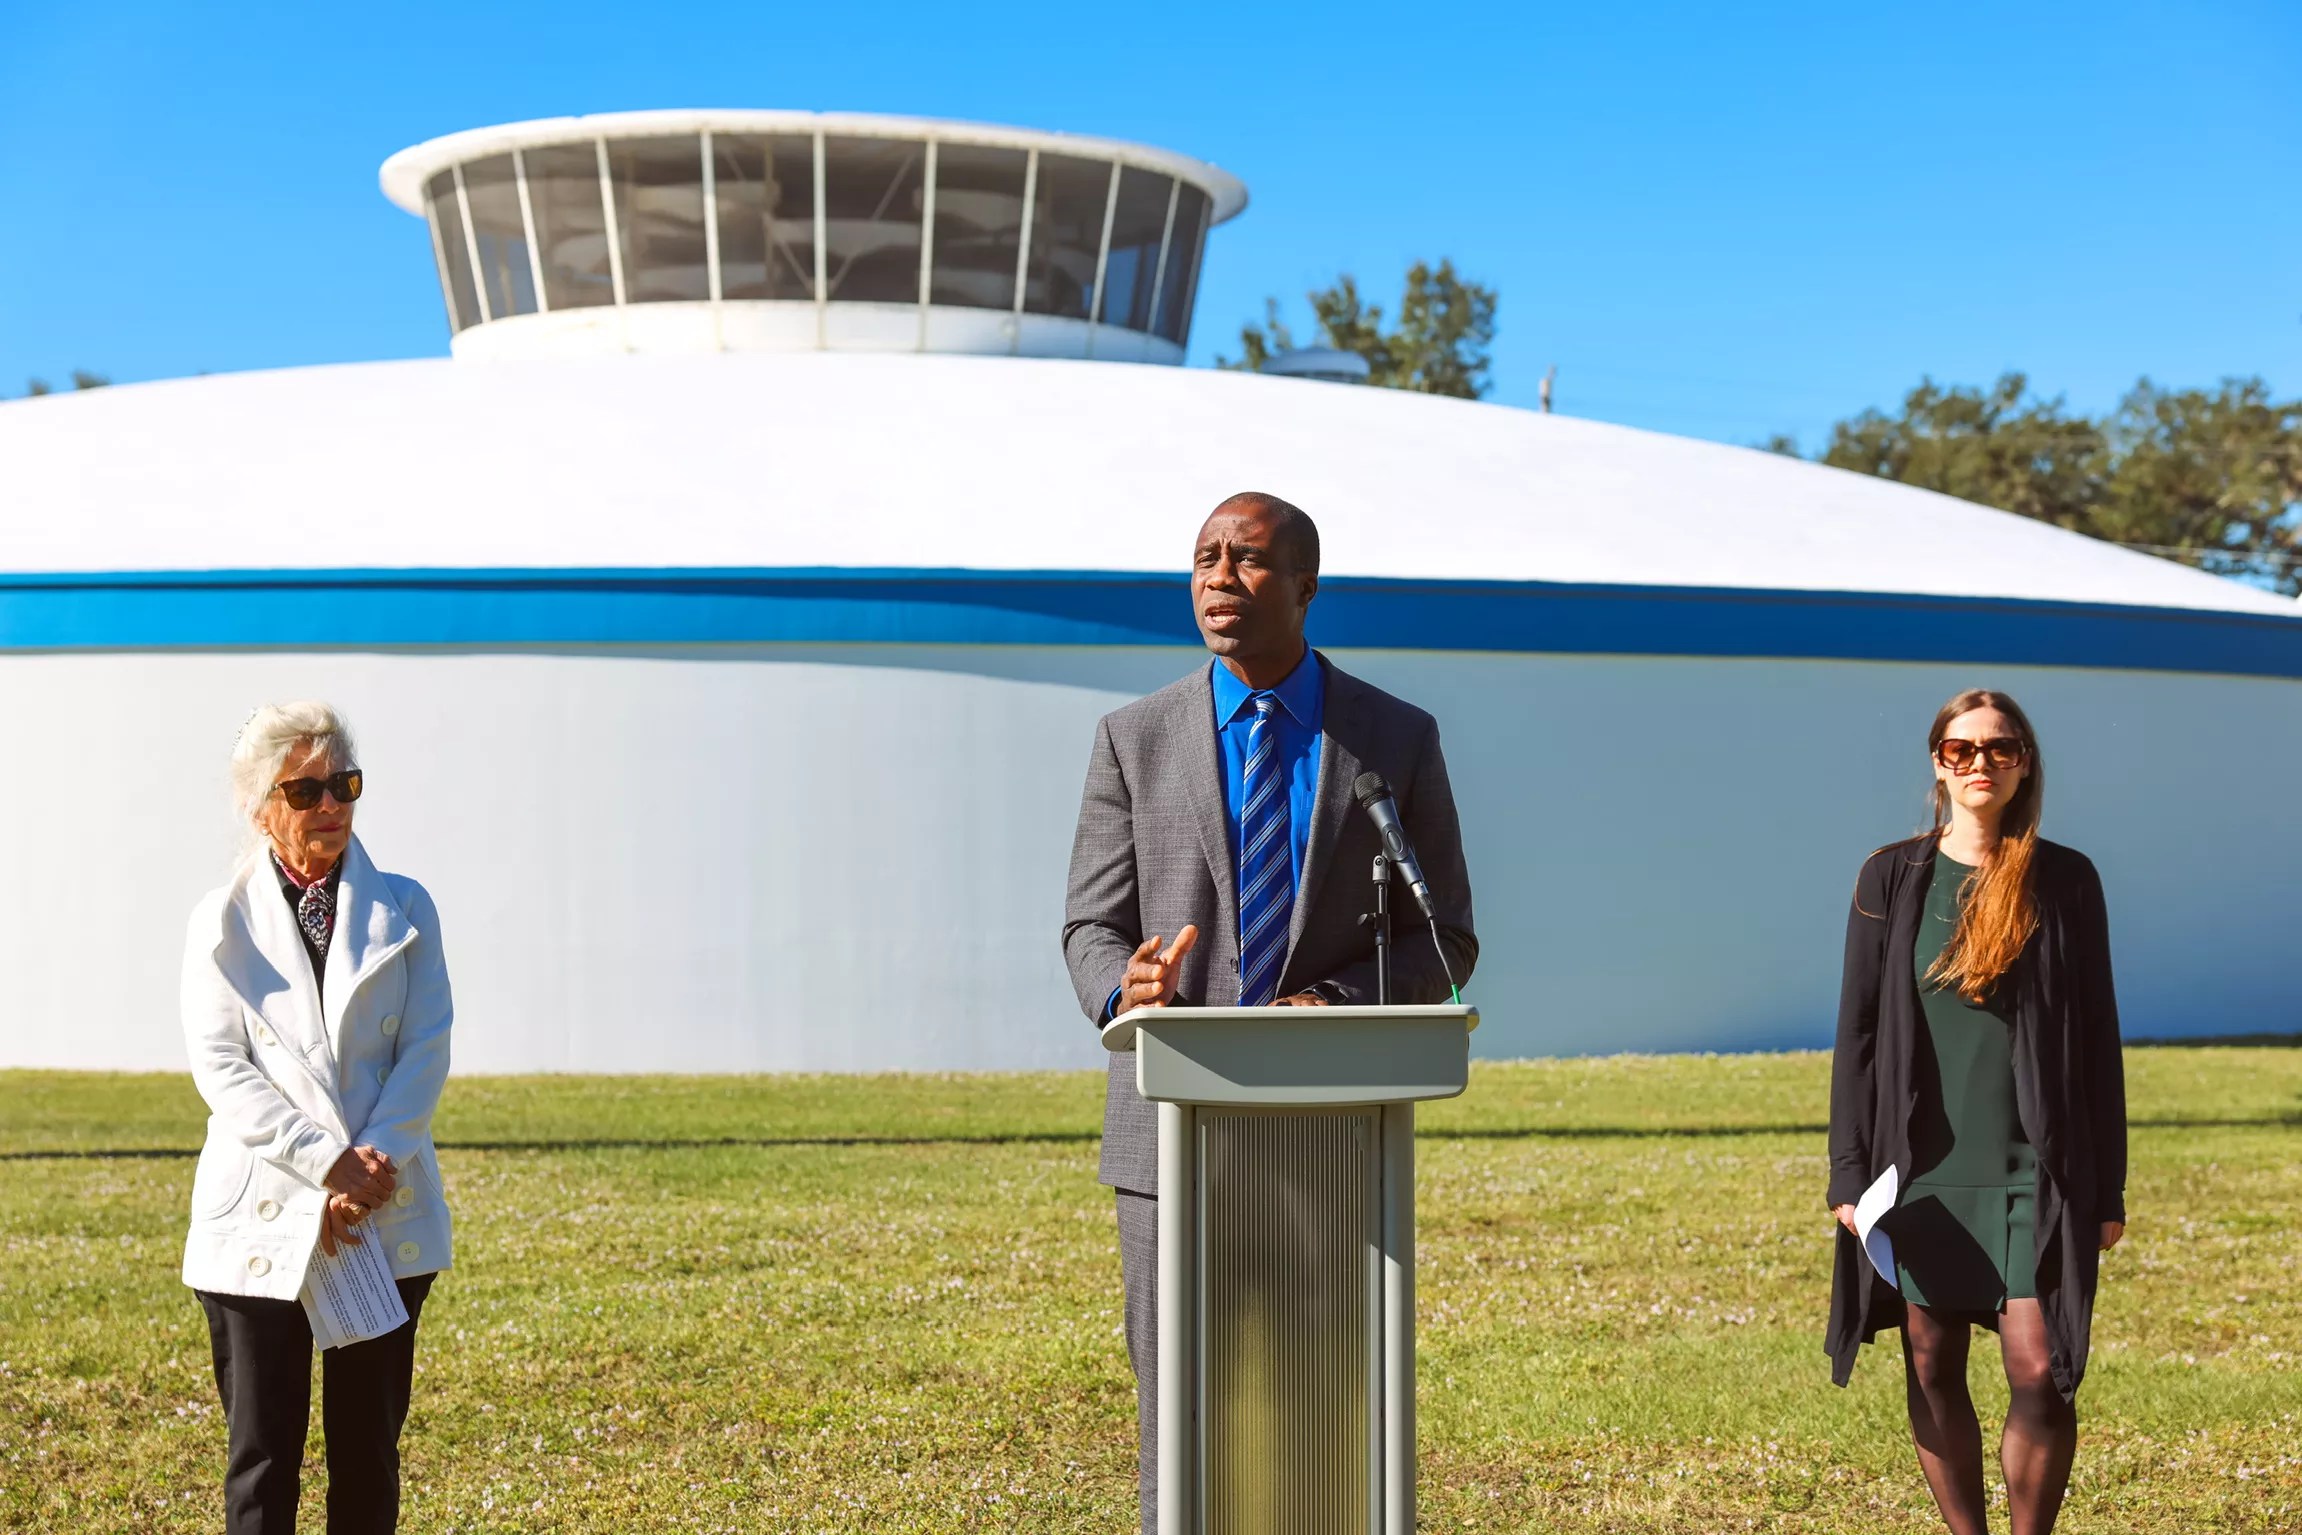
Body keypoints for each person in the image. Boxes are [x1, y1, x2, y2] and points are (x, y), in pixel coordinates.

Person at [1061, 492, 1478, 1532]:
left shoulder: (1393, 737)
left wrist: (1329, 1002)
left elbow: (1444, 937)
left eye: (1247, 560)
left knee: (1320, 1400)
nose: (1217, 577)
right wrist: (1129, 986)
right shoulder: (1133, 738)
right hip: (1168, 1133)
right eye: (1203, 557)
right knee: (1178, 1400)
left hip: (1325, 1130)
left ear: (1305, 587)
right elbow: (1088, 927)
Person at [1826, 689, 2127, 1535]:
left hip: (2038, 1164)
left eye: (2000, 748)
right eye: (1961, 749)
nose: (1980, 763)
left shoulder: (2065, 878)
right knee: (1931, 1362)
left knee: (2040, 1371)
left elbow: (2098, 1034)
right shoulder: (1892, 875)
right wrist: (1849, 1175)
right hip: (1920, 1164)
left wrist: (2108, 1190)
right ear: (1937, 762)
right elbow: (1857, 1035)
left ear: (2024, 760)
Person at [181, 702, 455, 1534]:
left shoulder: (408, 907)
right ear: (260, 806)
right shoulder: (218, 920)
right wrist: (327, 1164)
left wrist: (367, 1170)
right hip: (263, 1219)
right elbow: (222, 1068)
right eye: (304, 789)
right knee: (262, 1466)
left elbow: (426, 1048)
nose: (330, 803)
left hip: (381, 1213)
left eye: (344, 783)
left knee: (368, 1459)